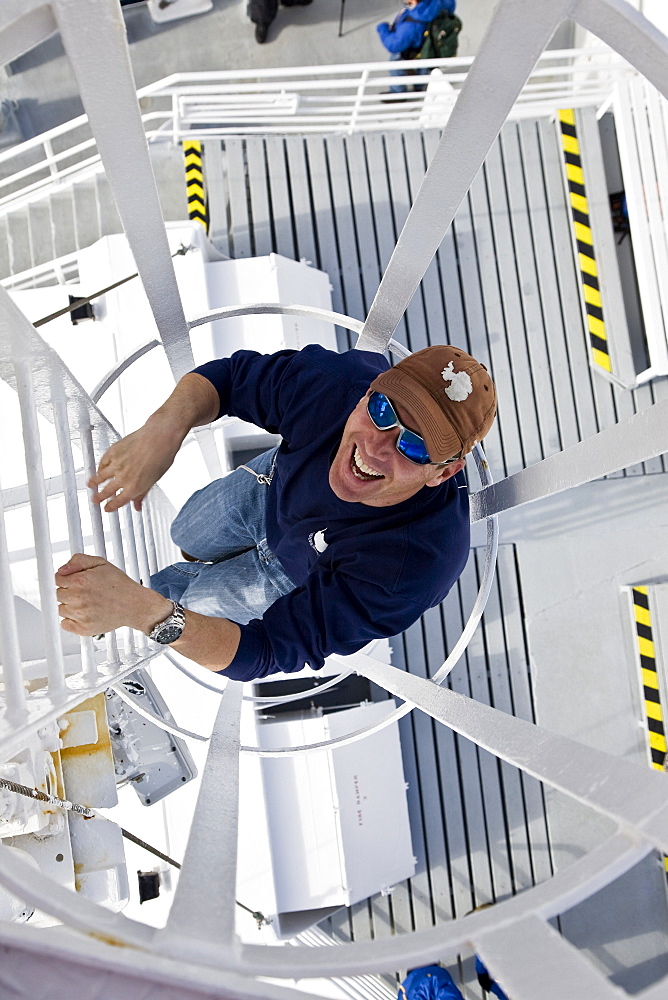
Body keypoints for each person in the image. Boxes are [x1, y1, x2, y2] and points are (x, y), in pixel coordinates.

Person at [55, 344, 496, 682]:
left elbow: (265, 649)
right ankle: (187, 568)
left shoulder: (413, 566)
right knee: (185, 531)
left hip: (293, 575)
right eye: (383, 410)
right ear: (368, 391)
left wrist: (144, 611)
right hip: (269, 489)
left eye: (414, 446)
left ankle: (154, 593)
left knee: (177, 599)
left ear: (444, 473)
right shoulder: (334, 385)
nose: (377, 447)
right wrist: (165, 427)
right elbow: (231, 379)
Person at [377, 0, 456, 95]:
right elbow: (450, 3)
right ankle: (420, 86)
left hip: (411, 51)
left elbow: (394, 45)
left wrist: (382, 28)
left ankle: (398, 92)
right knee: (423, 58)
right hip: (427, 48)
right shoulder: (437, 4)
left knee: (395, 61)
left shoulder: (411, 24)